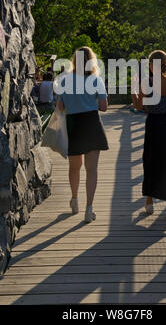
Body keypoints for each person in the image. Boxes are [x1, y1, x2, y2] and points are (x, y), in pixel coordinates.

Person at [55, 47, 109, 223]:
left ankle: (74, 199)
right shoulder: (96, 80)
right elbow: (103, 107)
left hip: (73, 125)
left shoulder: (65, 80)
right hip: (91, 124)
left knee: (74, 167)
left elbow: (60, 107)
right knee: (91, 170)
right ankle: (89, 208)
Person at [133, 50, 166, 221]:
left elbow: (139, 106)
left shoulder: (145, 83)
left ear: (151, 65)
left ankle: (149, 202)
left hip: (154, 125)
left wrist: (134, 90)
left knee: (151, 162)